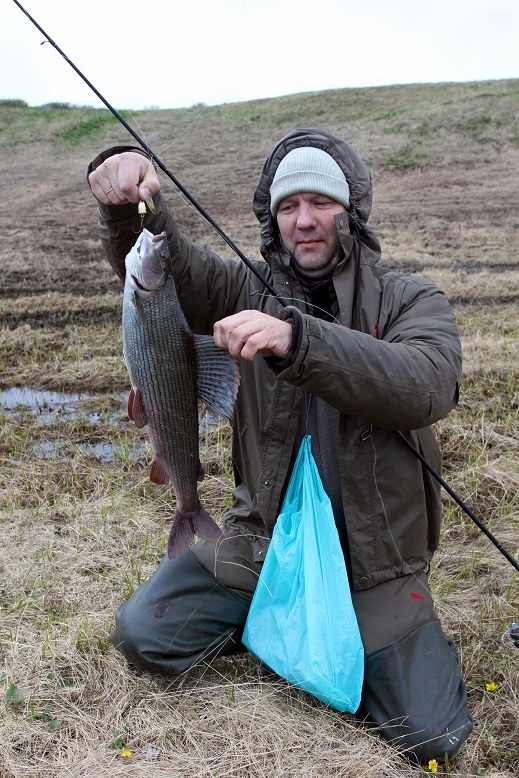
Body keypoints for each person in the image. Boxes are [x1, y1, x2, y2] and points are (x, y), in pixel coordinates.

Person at [88, 128, 473, 762]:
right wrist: (126, 200)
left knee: (430, 737)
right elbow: (164, 266)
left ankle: (339, 629)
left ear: (350, 212)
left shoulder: (410, 299)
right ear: (274, 220)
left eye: (320, 203)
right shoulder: (242, 289)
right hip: (260, 543)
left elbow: (425, 386)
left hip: (374, 564)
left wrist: (298, 340)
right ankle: (270, 613)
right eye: (289, 206)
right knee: (143, 634)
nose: (304, 220)